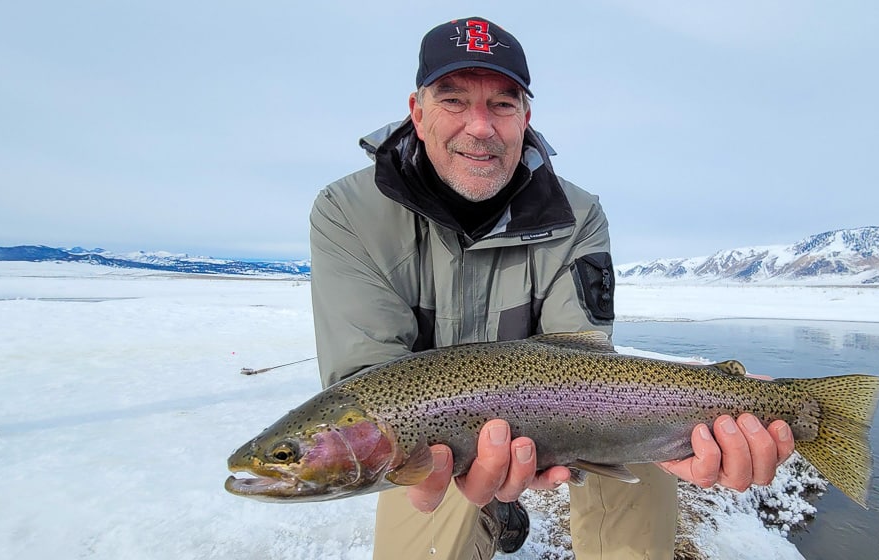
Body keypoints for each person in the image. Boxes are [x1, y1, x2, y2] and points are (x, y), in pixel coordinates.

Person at [308, 16, 795, 559]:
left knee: (642, 469)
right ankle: (496, 514)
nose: (480, 127)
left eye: (502, 104)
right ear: (417, 113)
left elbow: (583, 357)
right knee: (423, 501)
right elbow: (363, 384)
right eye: (453, 100)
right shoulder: (347, 212)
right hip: (430, 433)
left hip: (562, 408)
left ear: (526, 118)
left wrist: (722, 403)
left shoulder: (578, 214)